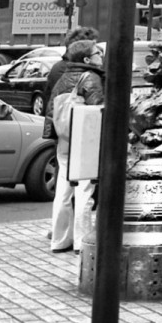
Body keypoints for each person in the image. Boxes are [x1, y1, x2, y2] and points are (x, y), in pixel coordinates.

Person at [47, 36, 98, 253]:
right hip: (85, 139)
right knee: (85, 189)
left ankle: (59, 240)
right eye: (98, 53)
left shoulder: (63, 78)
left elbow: (50, 111)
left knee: (63, 190)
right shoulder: (91, 78)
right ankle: (82, 241)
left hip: (64, 139)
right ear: (87, 58)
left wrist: (55, 136)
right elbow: (98, 110)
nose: (101, 57)